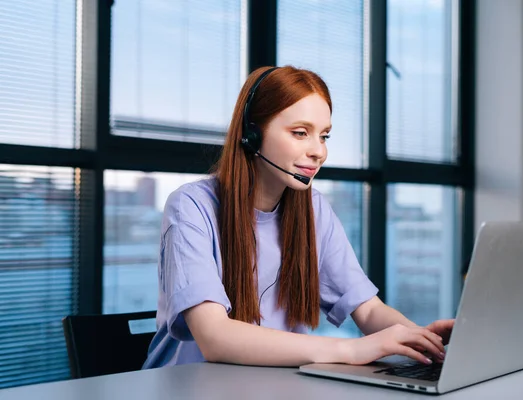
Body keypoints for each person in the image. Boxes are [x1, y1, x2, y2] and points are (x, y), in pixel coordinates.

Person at [142, 65, 454, 369]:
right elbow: (215, 337)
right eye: (301, 133)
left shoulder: (314, 209)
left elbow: (368, 310)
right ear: (252, 134)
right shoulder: (191, 207)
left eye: (325, 136)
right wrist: (351, 349)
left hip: (273, 387)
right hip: (191, 385)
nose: (318, 151)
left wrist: (424, 342)